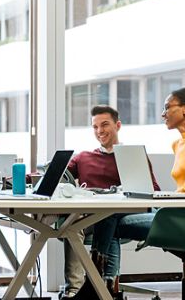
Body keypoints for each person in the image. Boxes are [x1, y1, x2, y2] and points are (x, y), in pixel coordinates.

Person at [62, 105, 160, 300]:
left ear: (118, 125)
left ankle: (95, 284)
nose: (100, 131)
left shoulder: (132, 157)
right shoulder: (83, 158)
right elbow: (59, 176)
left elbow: (153, 191)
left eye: (105, 125)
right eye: (95, 127)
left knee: (110, 216)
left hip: (124, 215)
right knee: (72, 224)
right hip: (90, 218)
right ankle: (80, 287)